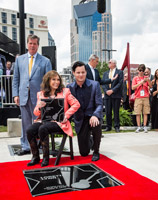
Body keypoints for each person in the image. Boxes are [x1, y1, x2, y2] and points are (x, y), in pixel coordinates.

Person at [26, 70, 80, 167]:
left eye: (58, 79)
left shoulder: (65, 91)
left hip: (59, 122)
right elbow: (35, 112)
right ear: (48, 81)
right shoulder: (41, 94)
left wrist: (66, 116)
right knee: (30, 130)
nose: (57, 82)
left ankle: (46, 158)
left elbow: (76, 104)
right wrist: (38, 106)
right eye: (53, 79)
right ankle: (35, 156)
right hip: (44, 120)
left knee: (43, 128)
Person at [12, 34, 52, 156]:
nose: (32, 45)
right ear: (27, 44)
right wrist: (15, 95)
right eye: (30, 43)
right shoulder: (19, 60)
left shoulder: (45, 61)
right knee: (25, 123)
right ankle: (25, 146)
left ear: (38, 45)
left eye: (35, 43)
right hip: (23, 96)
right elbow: (16, 79)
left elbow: (49, 81)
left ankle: (40, 145)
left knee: (39, 123)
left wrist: (47, 97)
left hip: (39, 98)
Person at [67, 61, 102, 161]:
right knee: (84, 153)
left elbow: (99, 104)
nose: (81, 75)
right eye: (78, 72)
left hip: (92, 116)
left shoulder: (95, 85)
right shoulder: (69, 88)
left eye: (83, 72)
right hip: (80, 119)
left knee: (96, 124)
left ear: (86, 72)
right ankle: (90, 140)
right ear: (73, 73)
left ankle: (96, 151)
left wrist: (95, 115)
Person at [102, 59, 123, 132]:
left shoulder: (120, 72)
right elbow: (103, 83)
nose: (108, 63)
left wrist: (112, 90)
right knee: (108, 111)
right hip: (107, 95)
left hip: (116, 95)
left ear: (114, 64)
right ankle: (108, 126)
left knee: (116, 111)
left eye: (110, 62)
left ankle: (117, 126)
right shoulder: (105, 73)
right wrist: (106, 91)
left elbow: (120, 83)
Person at [132, 64, 152, 133]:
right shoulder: (135, 78)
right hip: (138, 97)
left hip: (146, 96)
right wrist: (140, 83)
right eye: (140, 70)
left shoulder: (146, 77)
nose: (141, 72)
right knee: (138, 113)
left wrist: (148, 81)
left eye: (142, 71)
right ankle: (138, 127)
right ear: (138, 70)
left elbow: (151, 86)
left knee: (145, 112)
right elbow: (133, 87)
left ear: (144, 71)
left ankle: (145, 126)